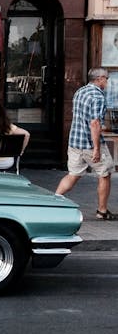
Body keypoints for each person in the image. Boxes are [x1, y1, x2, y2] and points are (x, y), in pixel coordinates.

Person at [56, 68, 115, 220]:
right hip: (90, 143)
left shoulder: (80, 92)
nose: (107, 82)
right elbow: (94, 123)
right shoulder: (98, 96)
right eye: (106, 79)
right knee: (105, 173)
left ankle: (54, 200)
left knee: (73, 174)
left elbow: (82, 117)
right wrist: (96, 149)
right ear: (100, 79)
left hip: (75, 142)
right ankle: (102, 211)